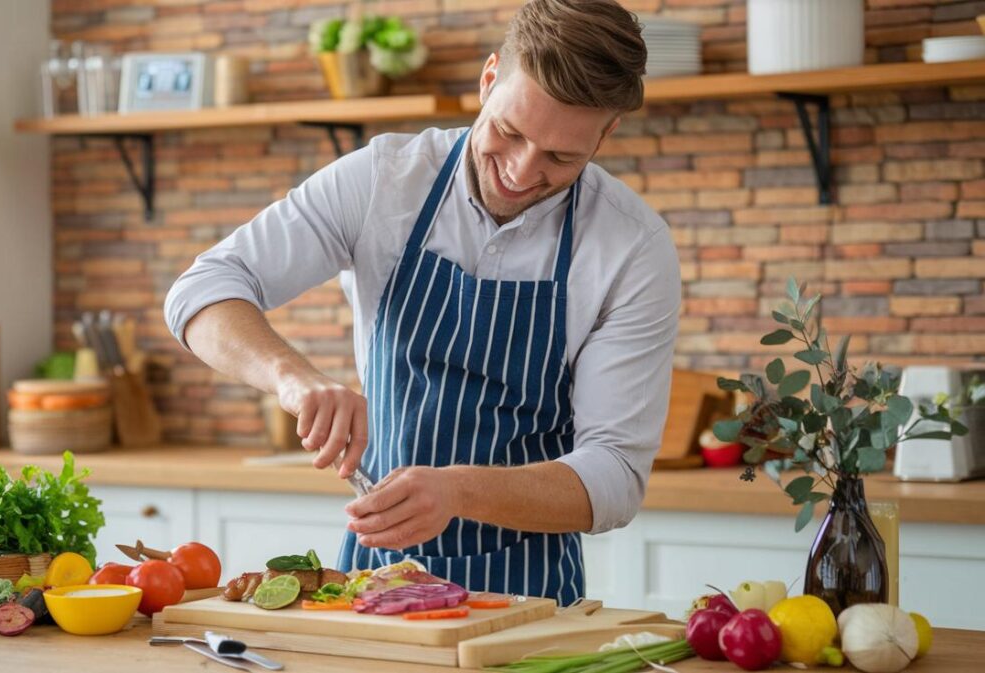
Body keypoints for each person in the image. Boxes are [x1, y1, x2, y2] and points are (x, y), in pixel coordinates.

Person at [165, 0, 680, 605]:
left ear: (607, 132)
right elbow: (201, 291)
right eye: (509, 132)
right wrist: (293, 379)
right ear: (489, 80)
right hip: (371, 581)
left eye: (561, 156)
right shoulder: (386, 179)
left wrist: (458, 492)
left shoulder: (631, 247)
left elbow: (615, 477)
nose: (520, 170)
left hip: (531, 609)